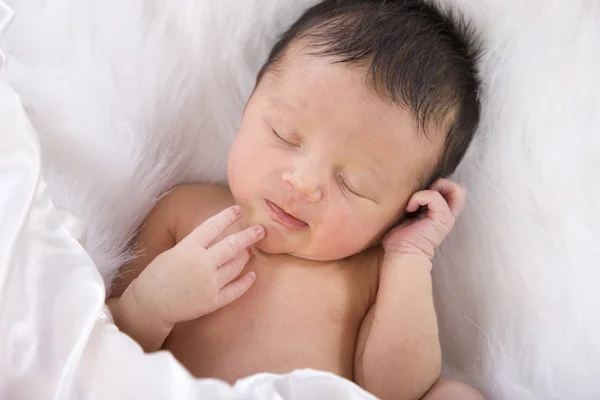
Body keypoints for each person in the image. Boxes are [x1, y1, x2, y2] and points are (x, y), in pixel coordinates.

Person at [108, 1, 484, 398]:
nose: (304, 183)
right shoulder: (184, 214)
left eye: (354, 184)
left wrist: (411, 256)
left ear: (403, 209)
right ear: (253, 98)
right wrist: (147, 308)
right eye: (285, 134)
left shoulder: (369, 274)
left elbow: (398, 391)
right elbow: (99, 342)